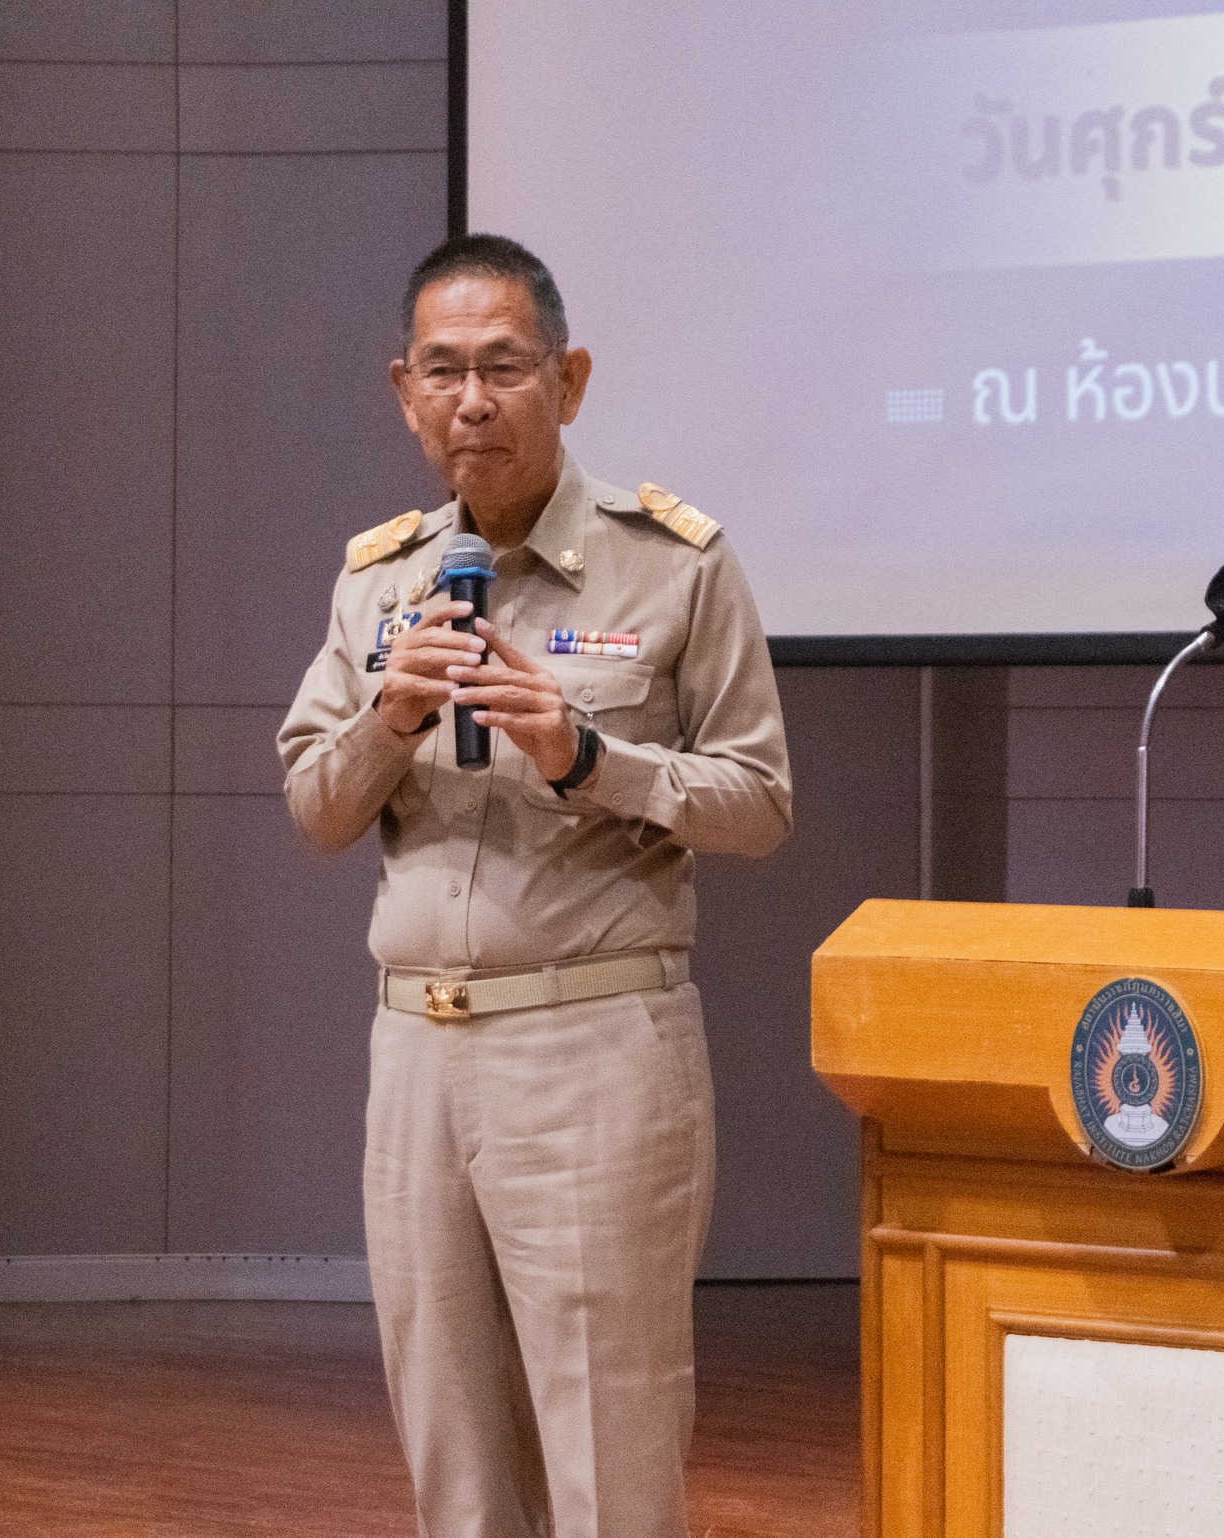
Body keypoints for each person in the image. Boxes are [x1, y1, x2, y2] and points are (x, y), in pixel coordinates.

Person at [277, 233, 793, 1538]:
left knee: (609, 1461)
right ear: (404, 391)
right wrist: (390, 717)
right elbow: (317, 807)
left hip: (593, 1044)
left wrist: (589, 758)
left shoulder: (672, 563)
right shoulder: (381, 581)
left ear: (568, 381)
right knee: (453, 1458)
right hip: (417, 1055)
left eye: (504, 368)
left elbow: (759, 800)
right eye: (443, 371)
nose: (473, 401)